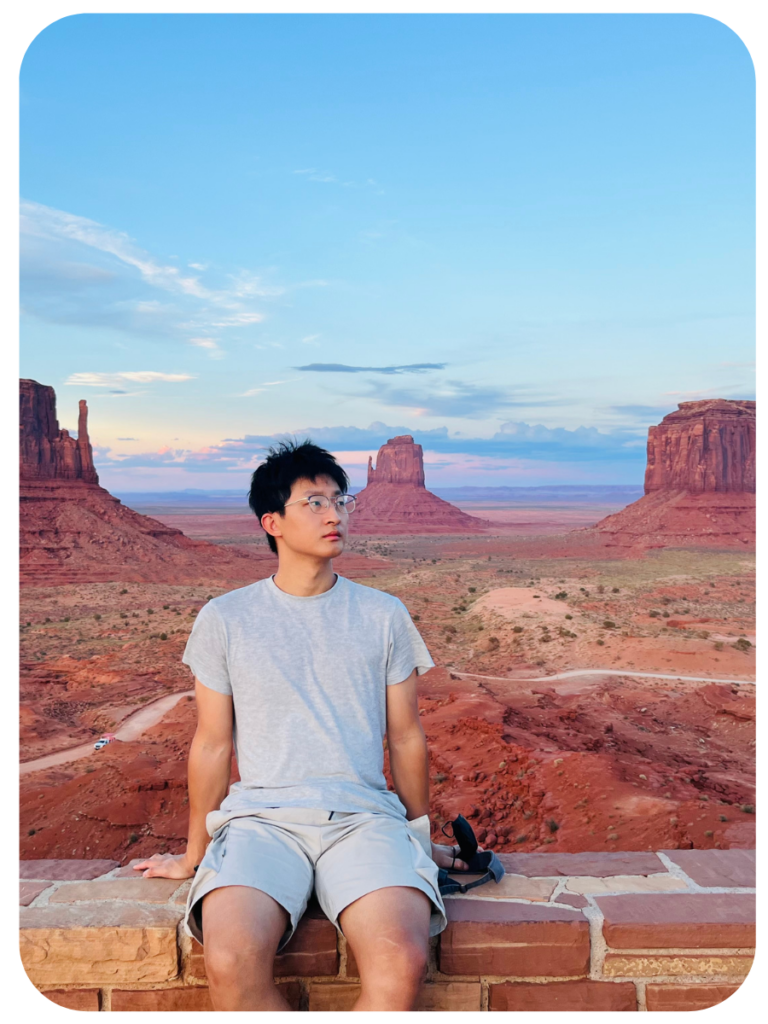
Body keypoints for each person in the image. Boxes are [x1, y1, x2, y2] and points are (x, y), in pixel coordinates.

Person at [133, 439, 469, 1011]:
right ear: (273, 523)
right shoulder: (225, 619)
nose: (335, 514)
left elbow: (407, 736)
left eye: (341, 499)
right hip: (260, 821)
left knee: (402, 960)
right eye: (314, 502)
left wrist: (419, 837)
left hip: (363, 819)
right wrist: (193, 855)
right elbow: (213, 744)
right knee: (230, 959)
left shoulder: (384, 614)